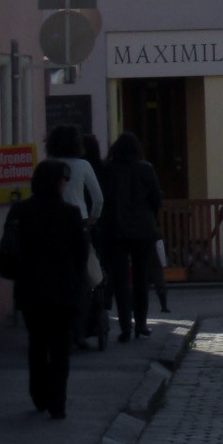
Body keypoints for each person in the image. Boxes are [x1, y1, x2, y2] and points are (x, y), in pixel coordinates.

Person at [16, 158, 89, 419]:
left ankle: (38, 394)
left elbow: (15, 250)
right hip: (63, 291)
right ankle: (57, 402)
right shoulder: (70, 214)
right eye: (64, 180)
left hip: (31, 290)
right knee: (60, 347)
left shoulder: (22, 211)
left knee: (37, 343)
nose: (65, 184)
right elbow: (81, 254)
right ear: (56, 183)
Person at [44, 123, 104, 347]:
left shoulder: (47, 165)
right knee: (82, 277)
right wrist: (93, 218)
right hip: (79, 224)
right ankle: (79, 332)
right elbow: (98, 198)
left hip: (50, 224)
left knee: (53, 275)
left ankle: (55, 329)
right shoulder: (83, 165)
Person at [104, 132, 164, 340]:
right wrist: (150, 217)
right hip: (143, 230)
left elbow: (105, 200)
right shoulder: (146, 168)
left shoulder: (109, 170)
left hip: (117, 230)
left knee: (120, 279)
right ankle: (141, 323)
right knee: (141, 278)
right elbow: (157, 197)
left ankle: (124, 327)